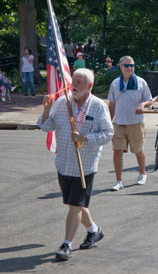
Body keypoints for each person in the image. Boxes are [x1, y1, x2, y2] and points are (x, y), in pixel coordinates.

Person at [37, 68, 114, 261]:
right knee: (77, 205)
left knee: (74, 206)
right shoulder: (63, 103)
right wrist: (46, 108)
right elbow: (46, 126)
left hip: (84, 166)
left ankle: (66, 245)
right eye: (74, 81)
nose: (75, 85)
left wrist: (85, 138)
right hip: (63, 164)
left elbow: (108, 133)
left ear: (90, 86)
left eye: (80, 82)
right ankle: (94, 230)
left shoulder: (97, 106)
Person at [108, 56, 152, 191]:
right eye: (126, 65)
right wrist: (109, 121)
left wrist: (142, 104)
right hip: (119, 123)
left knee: (138, 151)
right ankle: (118, 181)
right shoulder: (115, 83)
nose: (129, 68)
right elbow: (112, 104)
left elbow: (150, 100)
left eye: (131, 65)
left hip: (136, 123)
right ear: (120, 67)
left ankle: (142, 173)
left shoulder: (141, 82)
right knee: (117, 152)